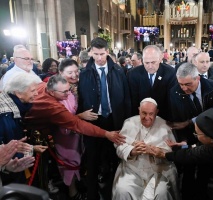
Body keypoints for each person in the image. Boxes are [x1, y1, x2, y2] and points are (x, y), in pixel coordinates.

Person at [77, 37, 131, 200]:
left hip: (114, 120)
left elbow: (126, 98)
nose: (99, 57)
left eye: (102, 53)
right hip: (94, 120)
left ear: (107, 52)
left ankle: (114, 193)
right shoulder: (85, 73)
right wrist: (82, 116)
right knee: (92, 159)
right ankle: (92, 195)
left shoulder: (118, 70)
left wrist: (126, 123)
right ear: (91, 53)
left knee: (115, 158)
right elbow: (81, 99)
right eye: (96, 54)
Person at [168, 62, 213, 200]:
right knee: (188, 171)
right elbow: (177, 121)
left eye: (188, 84)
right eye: (181, 84)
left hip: (210, 138)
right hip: (188, 138)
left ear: (197, 78)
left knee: (205, 172)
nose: (184, 88)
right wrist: (183, 141)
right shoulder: (174, 92)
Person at [112, 98, 179, 200]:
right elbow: (119, 147)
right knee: (123, 190)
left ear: (156, 112)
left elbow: (171, 152)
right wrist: (131, 151)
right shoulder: (129, 122)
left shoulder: (165, 125)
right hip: (132, 169)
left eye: (151, 114)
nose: (147, 117)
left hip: (158, 170)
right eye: (144, 113)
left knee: (162, 192)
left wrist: (154, 151)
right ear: (139, 110)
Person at [55, 59, 97, 200]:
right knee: (69, 162)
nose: (74, 75)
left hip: (79, 130)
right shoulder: (58, 91)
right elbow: (61, 118)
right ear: (60, 73)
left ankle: (78, 186)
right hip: (66, 134)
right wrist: (81, 116)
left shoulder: (78, 86)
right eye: (69, 72)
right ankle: (73, 194)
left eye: (76, 71)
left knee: (79, 159)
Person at [0, 72, 46, 185]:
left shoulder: (15, 104)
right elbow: (10, 144)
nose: (36, 94)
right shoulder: (5, 114)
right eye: (32, 91)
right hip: (9, 172)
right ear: (18, 93)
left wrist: (31, 148)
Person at [127, 45, 176, 121]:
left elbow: (171, 102)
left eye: (153, 62)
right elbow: (133, 101)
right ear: (142, 60)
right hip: (140, 118)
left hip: (163, 119)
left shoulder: (170, 73)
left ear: (160, 59)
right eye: (146, 63)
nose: (150, 66)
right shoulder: (133, 74)